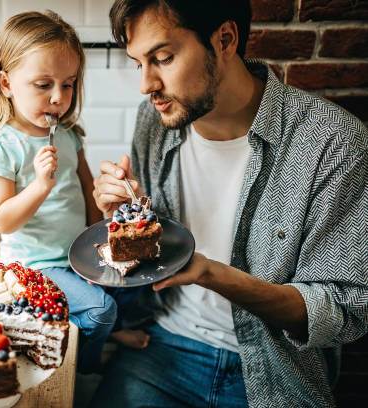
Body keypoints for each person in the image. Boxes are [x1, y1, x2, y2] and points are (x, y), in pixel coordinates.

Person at [90, 0, 368, 407]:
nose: (146, 84)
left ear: (224, 39)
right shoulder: (154, 121)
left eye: (163, 58)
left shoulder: (334, 142)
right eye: (138, 63)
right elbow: (146, 248)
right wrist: (118, 216)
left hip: (275, 371)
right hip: (162, 345)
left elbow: (345, 309)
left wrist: (212, 274)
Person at [0, 11, 149, 374]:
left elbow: (86, 190)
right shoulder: (2, 145)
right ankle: (82, 367)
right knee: (102, 309)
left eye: (68, 84)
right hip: (33, 265)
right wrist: (40, 186)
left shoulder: (68, 135)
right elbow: (2, 221)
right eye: (43, 85)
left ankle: (106, 330)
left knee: (138, 277)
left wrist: (98, 244)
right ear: (6, 84)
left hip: (75, 254)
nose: (58, 97)